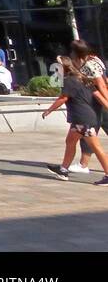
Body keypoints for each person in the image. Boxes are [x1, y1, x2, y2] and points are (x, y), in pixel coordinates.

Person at [42, 55, 108, 183]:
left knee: (96, 147)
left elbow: (63, 98)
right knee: (70, 142)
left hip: (82, 120)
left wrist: (49, 110)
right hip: (81, 119)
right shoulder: (82, 78)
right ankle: (63, 169)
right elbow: (97, 94)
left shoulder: (69, 81)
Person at [69, 40, 108, 174]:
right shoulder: (95, 60)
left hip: (98, 102)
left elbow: (101, 84)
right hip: (95, 101)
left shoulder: (89, 64)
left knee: (89, 132)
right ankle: (83, 164)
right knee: (88, 133)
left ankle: (83, 164)